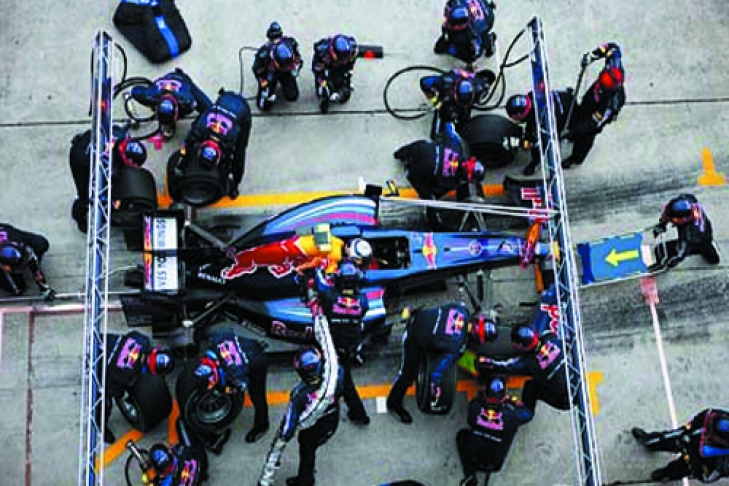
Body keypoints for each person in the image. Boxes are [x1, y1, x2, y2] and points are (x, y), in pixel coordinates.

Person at [257, 307, 342, 486]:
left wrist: (266, 477)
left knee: (307, 449)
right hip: (331, 422)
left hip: (312, 430)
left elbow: (287, 430)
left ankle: (305, 480)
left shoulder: (299, 396)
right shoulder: (336, 375)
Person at [387, 303, 497, 424]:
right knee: (407, 375)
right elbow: (437, 372)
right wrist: (435, 389)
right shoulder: (456, 347)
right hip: (413, 337)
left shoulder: (461, 309)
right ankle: (393, 403)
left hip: (419, 317)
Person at [306, 259, 370, 425]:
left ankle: (357, 414)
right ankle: (357, 413)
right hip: (350, 346)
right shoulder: (363, 300)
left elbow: (318, 278)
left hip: (332, 347)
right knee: (343, 376)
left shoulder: (328, 295)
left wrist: (319, 264)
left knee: (339, 380)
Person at [196, 327, 270, 444]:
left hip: (256, 362)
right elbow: (229, 330)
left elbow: (239, 388)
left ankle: (262, 425)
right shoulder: (217, 339)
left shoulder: (235, 372)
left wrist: (222, 390)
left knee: (257, 395)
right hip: (248, 346)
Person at [69, 125, 148, 233]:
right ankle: (79, 217)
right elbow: (105, 183)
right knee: (86, 195)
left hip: (88, 142)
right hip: (80, 160)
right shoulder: (108, 165)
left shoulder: (120, 133)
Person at [456, 375, 533, 486]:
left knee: (462, 435)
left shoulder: (475, 406)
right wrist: (514, 401)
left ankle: (470, 475)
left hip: (474, 458)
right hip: (495, 464)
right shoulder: (512, 415)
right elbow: (528, 414)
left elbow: (470, 421)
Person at [476, 323, 570, 413]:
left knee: (531, 387)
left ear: (521, 345)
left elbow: (506, 366)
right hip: (574, 379)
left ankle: (525, 412)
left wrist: (488, 362)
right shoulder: (550, 337)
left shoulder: (529, 363)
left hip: (564, 399)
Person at [101, 330, 174, 443]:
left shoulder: (142, 340)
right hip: (98, 362)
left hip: (103, 340)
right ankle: (101, 427)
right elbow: (113, 391)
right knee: (104, 403)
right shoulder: (127, 375)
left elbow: (131, 334)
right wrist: (119, 393)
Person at [177, 88, 252, 199]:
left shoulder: (230, 140)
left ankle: (235, 186)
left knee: (240, 151)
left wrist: (232, 182)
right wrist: (181, 166)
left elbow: (235, 162)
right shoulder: (199, 128)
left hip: (242, 109)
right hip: (223, 100)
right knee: (196, 126)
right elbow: (187, 144)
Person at [562, 42, 625, 169]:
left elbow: (593, 123)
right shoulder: (614, 63)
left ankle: (576, 159)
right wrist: (592, 56)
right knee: (581, 111)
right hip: (592, 98)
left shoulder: (611, 105)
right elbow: (612, 47)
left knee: (585, 137)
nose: (601, 86)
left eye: (603, 87)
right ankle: (574, 133)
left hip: (597, 114)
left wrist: (574, 132)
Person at [632, 408, 729, 483]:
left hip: (702, 461)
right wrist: (688, 428)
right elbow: (707, 414)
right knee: (665, 439)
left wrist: (695, 467)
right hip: (691, 438)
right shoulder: (721, 417)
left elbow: (710, 475)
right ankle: (649, 441)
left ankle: (665, 474)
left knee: (678, 470)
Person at [505, 89, 575, 175]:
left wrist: (522, 144)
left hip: (569, 116)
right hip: (567, 98)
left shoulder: (540, 122)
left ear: (519, 115)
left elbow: (538, 144)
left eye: (513, 117)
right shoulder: (534, 95)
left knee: (538, 146)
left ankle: (535, 164)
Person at [130, 68, 212, 138]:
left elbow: (135, 90)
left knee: (210, 111)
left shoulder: (187, 101)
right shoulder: (149, 95)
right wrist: (150, 102)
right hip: (166, 78)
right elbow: (135, 91)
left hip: (183, 80)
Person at [393, 139, 485, 200]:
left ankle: (400, 154)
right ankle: (409, 172)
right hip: (418, 169)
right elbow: (436, 193)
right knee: (429, 195)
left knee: (424, 144)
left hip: (420, 149)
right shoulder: (452, 183)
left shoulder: (456, 147)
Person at [420, 68, 495, 139]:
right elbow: (424, 82)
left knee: (464, 123)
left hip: (463, 104)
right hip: (449, 101)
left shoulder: (479, 86)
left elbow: (488, 78)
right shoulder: (445, 81)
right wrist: (435, 100)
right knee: (444, 118)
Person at [653, 193, 721, 268]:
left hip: (700, 238)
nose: (672, 221)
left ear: (683, 219)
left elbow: (684, 248)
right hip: (696, 230)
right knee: (661, 249)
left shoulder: (691, 231)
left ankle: (704, 249)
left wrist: (676, 259)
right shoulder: (685, 200)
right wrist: (662, 224)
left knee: (712, 258)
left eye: (675, 220)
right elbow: (667, 213)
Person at [252, 21, 304, 111]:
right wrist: (263, 82)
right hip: (270, 73)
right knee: (263, 106)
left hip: (286, 73)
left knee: (292, 96)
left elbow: (299, 59)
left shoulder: (292, 44)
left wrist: (296, 68)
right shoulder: (263, 54)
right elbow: (257, 70)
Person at [0, 224, 54, 300]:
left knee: (41, 244)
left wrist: (45, 289)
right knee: (18, 290)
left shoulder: (25, 250)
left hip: (8, 232)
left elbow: (37, 271)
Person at [433, 0, 497, 64]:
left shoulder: (470, 32)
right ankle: (450, 44)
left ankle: (489, 40)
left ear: (461, 26)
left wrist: (452, 49)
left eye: (451, 22)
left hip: (487, 19)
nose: (446, 22)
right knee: (440, 47)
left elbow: (475, 52)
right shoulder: (456, 3)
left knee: (469, 57)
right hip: (478, 4)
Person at [312, 34, 359, 112]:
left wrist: (348, 74)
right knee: (324, 91)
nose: (344, 59)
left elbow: (350, 64)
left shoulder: (352, 52)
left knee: (344, 95)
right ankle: (325, 99)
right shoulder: (322, 54)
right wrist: (323, 83)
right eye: (342, 57)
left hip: (341, 68)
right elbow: (317, 71)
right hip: (328, 68)